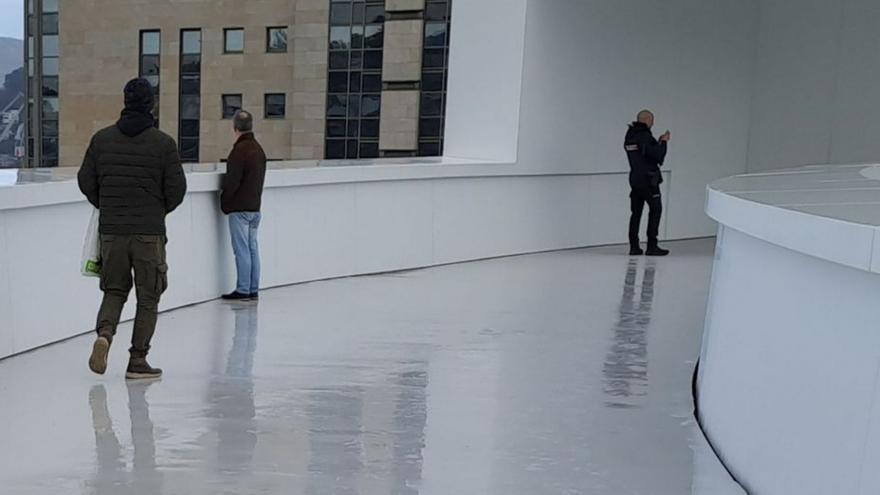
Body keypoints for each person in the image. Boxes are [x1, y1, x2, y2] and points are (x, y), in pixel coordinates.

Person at [78, 77, 186, 379]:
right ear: (151, 104)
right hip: (148, 233)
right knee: (148, 297)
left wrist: (108, 203)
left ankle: (105, 335)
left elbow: (85, 180)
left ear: (125, 102)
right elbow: (177, 189)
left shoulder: (102, 140)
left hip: (111, 231)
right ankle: (138, 360)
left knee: (114, 290)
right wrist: (156, 209)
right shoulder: (163, 144)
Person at [221, 110, 267, 301]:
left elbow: (232, 181)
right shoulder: (258, 150)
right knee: (252, 248)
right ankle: (253, 288)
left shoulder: (239, 151)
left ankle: (243, 289)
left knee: (241, 249)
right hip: (255, 207)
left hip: (240, 208)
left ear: (235, 127)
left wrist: (225, 202)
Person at [624, 110, 670, 257]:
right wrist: (663, 142)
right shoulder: (644, 135)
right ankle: (652, 245)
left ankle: (634, 246)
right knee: (656, 210)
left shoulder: (629, 135)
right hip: (649, 180)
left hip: (635, 180)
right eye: (652, 120)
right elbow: (657, 156)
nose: (653, 123)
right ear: (646, 120)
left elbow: (642, 154)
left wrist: (655, 144)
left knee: (636, 213)